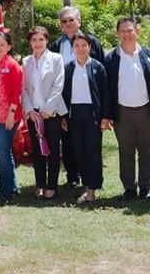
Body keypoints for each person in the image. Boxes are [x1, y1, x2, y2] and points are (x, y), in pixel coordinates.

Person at [102, 18, 150, 201]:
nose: (127, 34)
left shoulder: (149, 55)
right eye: (123, 31)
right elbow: (107, 88)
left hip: (146, 111)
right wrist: (107, 114)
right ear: (117, 33)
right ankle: (129, 189)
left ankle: (145, 189)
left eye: (130, 30)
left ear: (137, 31)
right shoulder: (111, 58)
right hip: (122, 112)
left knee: (146, 151)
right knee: (126, 151)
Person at [50, 6, 105, 188]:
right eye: (64, 21)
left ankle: (90, 179)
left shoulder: (92, 42)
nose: (68, 24)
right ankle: (72, 176)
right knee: (68, 141)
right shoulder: (57, 45)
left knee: (90, 144)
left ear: (79, 21)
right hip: (64, 98)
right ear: (61, 25)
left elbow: (102, 75)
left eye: (71, 20)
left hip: (89, 102)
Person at [62, 32, 110, 204]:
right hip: (75, 114)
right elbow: (64, 95)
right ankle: (85, 183)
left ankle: (92, 189)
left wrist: (105, 117)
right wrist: (64, 117)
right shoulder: (68, 68)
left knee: (93, 152)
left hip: (93, 115)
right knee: (79, 151)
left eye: (84, 45)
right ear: (72, 48)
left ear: (90, 47)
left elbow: (105, 94)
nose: (80, 49)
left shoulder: (98, 67)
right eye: (77, 46)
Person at [21, 26, 66, 200]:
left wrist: (48, 109)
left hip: (52, 112)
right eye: (34, 40)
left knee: (53, 150)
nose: (37, 43)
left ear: (47, 40)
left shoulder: (56, 58)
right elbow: (24, 88)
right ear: (30, 42)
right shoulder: (26, 61)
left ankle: (51, 186)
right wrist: (29, 109)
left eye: (41, 39)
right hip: (34, 113)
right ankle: (40, 184)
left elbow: (58, 84)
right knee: (37, 150)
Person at [0, 32, 23, 205]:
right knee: (5, 152)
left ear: (9, 47)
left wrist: (11, 113)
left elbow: (17, 92)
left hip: (9, 117)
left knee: (2, 153)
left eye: (2, 44)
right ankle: (13, 187)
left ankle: (5, 192)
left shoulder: (13, 65)